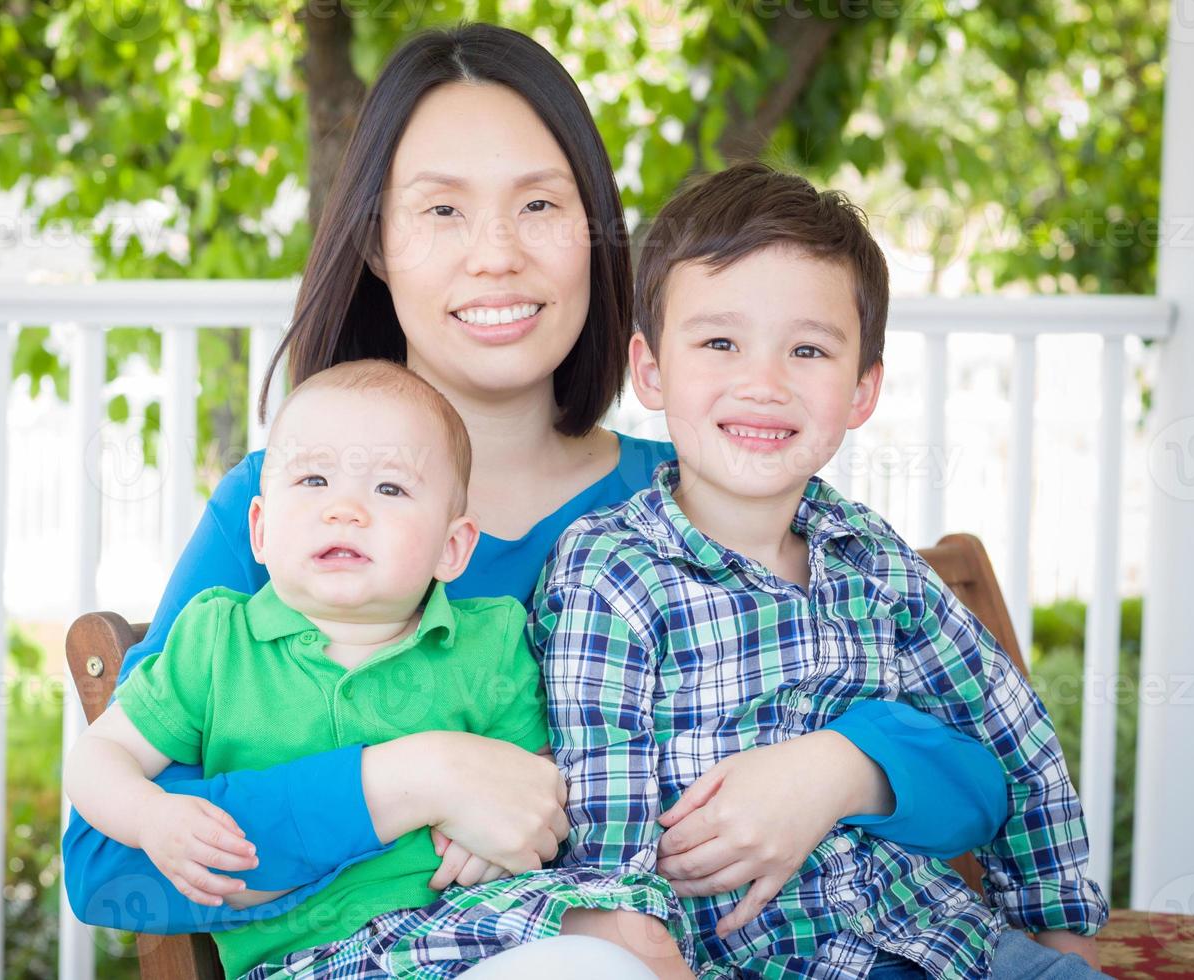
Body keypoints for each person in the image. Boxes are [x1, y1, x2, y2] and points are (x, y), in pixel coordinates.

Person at [63, 23, 1008, 973]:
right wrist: (410, 778)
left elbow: (982, 767)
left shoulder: (699, 491)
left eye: (542, 205)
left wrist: (842, 769)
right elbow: (111, 868)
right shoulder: (293, 517)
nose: (498, 256)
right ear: (378, 244)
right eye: (441, 212)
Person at [531, 161, 1109, 979]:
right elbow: (606, 828)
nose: (763, 384)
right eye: (720, 342)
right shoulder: (613, 574)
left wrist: (1059, 933)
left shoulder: (875, 560)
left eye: (807, 349)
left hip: (945, 944)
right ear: (651, 370)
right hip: (752, 959)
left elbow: (1009, 731)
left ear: (862, 390)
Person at [66, 360, 697, 978]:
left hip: (474, 926)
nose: (345, 510)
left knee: (629, 935)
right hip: (313, 959)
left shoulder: (487, 641)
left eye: (388, 489)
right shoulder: (216, 641)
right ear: (259, 530)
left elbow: (534, 786)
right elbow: (100, 757)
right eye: (313, 481)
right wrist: (150, 815)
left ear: (453, 548)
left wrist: (497, 840)